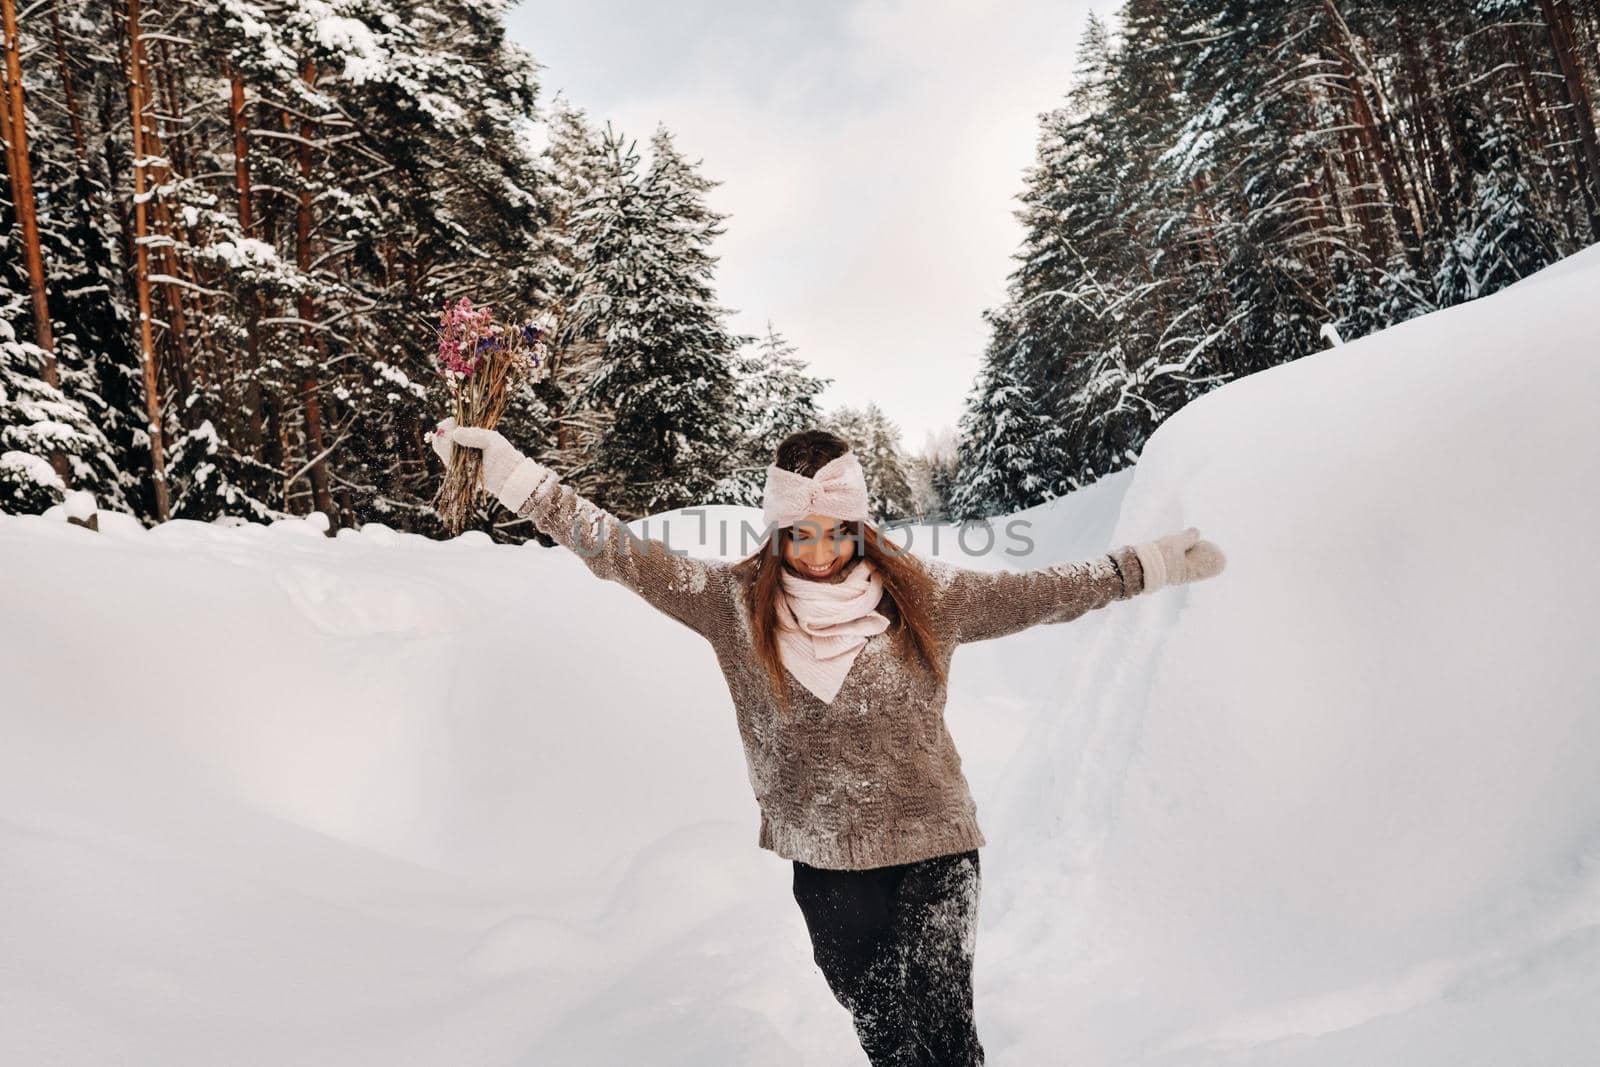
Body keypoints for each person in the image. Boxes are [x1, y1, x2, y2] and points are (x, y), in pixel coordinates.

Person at [430, 421, 1226, 1066]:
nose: (816, 550)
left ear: (859, 524)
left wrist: (1146, 564)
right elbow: (619, 553)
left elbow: (1043, 592)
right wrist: (513, 477)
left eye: (834, 531)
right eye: (799, 533)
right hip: (826, 867)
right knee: (888, 1041)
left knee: (942, 1040)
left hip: (934, 850)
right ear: (776, 530)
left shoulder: (927, 597)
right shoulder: (732, 605)